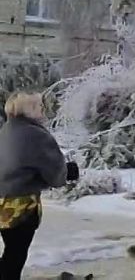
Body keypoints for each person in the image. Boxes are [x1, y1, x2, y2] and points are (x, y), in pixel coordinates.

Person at [0, 93, 78, 279]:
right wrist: (68, 172)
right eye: (39, 106)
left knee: (11, 248)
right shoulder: (35, 135)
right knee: (16, 253)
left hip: (2, 201)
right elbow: (54, 171)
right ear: (29, 110)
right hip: (21, 203)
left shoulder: (5, 131)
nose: (43, 109)